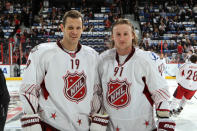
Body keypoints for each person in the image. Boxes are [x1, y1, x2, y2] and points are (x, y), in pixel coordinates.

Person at [20, 10, 99, 131]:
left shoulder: (93, 55)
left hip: (84, 125)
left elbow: (96, 92)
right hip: (51, 125)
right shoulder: (42, 53)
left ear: (83, 29)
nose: (74, 32)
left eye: (78, 28)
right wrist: (31, 120)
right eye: (70, 27)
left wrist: (97, 119)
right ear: (62, 28)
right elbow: (28, 89)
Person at [90, 19, 175, 131]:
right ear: (112, 37)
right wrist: (96, 116)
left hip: (143, 127)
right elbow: (97, 91)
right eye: (118, 34)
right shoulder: (102, 59)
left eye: (126, 34)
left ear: (133, 35)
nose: (121, 38)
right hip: (112, 127)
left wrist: (164, 119)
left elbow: (159, 91)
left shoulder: (145, 59)